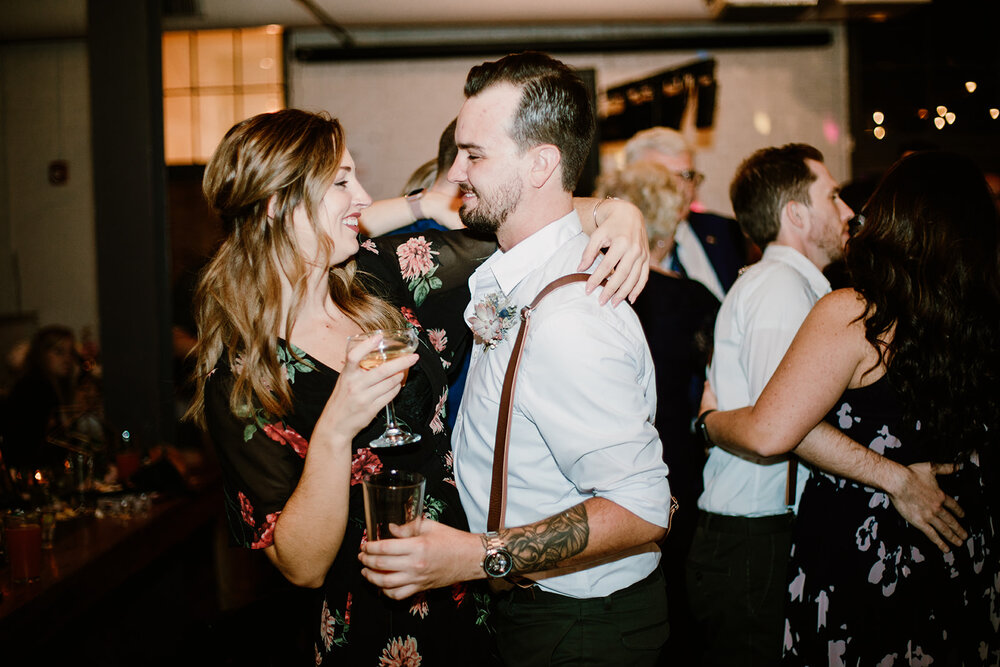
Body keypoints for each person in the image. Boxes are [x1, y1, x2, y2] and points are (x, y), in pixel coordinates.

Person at [186, 108, 650, 664]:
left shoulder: (385, 277)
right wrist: (337, 426)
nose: (361, 196)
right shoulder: (242, 378)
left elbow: (528, 225)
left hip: (473, 591)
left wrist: (614, 212)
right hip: (369, 626)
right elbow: (301, 567)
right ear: (277, 204)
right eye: (340, 182)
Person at [359, 52, 673, 667]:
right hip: (543, 610)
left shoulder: (568, 317)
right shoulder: (518, 277)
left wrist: (474, 556)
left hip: (582, 625)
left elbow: (642, 506)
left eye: (474, 155)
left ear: (541, 163)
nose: (456, 172)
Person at [699, 150, 999, 664]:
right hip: (963, 541)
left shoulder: (858, 313)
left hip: (870, 550)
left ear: (897, 218)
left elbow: (773, 431)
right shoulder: (982, 316)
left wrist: (709, 421)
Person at [685, 143, 852, 666]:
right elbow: (783, 426)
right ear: (795, 214)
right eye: (834, 196)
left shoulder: (790, 286)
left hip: (755, 534)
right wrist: (893, 476)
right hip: (755, 538)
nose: (848, 212)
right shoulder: (781, 287)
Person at [595, 161, 719, 664]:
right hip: (673, 472)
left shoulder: (588, 290)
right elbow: (719, 389)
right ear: (669, 226)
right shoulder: (694, 302)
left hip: (600, 471)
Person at [624, 126, 752, 300]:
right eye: (664, 177)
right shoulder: (618, 245)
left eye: (687, 176)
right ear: (632, 183)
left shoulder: (724, 231)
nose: (680, 189)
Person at [0, 325, 78, 471]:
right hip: (31, 473)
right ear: (42, 354)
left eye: (70, 352)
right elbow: (29, 442)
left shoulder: (51, 386)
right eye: (59, 352)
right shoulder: (35, 387)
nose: (67, 359)